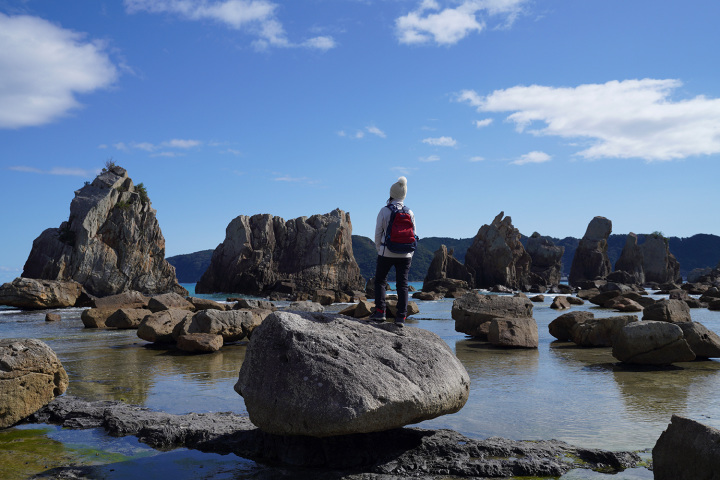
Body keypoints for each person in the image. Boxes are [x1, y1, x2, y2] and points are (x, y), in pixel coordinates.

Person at [370, 176, 416, 327]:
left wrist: (380, 249)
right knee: (402, 285)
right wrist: (410, 253)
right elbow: (413, 234)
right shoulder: (410, 212)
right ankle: (401, 317)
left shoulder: (384, 210)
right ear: (404, 195)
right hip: (406, 253)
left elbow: (378, 233)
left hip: (386, 251)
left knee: (380, 281)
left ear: (391, 194)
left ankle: (379, 312)